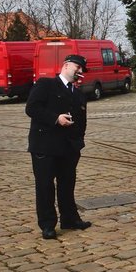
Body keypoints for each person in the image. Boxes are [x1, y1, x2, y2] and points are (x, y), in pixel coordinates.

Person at [25, 54, 92, 240]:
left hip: (69, 148)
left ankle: (70, 218)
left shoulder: (78, 94)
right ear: (66, 65)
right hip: (45, 146)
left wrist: (79, 142)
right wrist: (56, 119)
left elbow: (82, 121)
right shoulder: (46, 84)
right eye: (77, 67)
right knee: (45, 186)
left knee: (67, 184)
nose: (80, 71)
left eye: (82, 70)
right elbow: (32, 108)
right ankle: (47, 224)